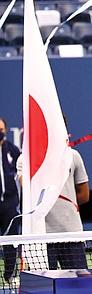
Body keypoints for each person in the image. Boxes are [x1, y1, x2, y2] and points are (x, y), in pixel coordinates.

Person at [16, 115, 90, 270]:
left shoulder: (73, 156)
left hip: (71, 233)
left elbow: (84, 195)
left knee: (78, 286)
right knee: (44, 287)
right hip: (40, 236)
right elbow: (28, 189)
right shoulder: (25, 159)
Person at [0, 118, 21, 289]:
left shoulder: (12, 150)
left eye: (0, 128)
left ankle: (10, 275)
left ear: (5, 130)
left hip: (9, 204)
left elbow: (21, 172)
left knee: (11, 242)